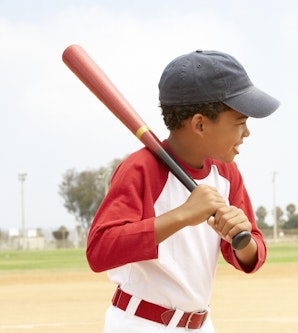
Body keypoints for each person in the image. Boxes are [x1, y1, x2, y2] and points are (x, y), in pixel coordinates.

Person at [86, 50, 280, 332]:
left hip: (200, 324)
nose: (247, 133)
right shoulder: (141, 169)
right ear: (200, 124)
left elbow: (251, 253)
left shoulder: (226, 173)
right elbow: (100, 250)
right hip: (141, 323)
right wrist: (183, 215)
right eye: (239, 122)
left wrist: (244, 241)